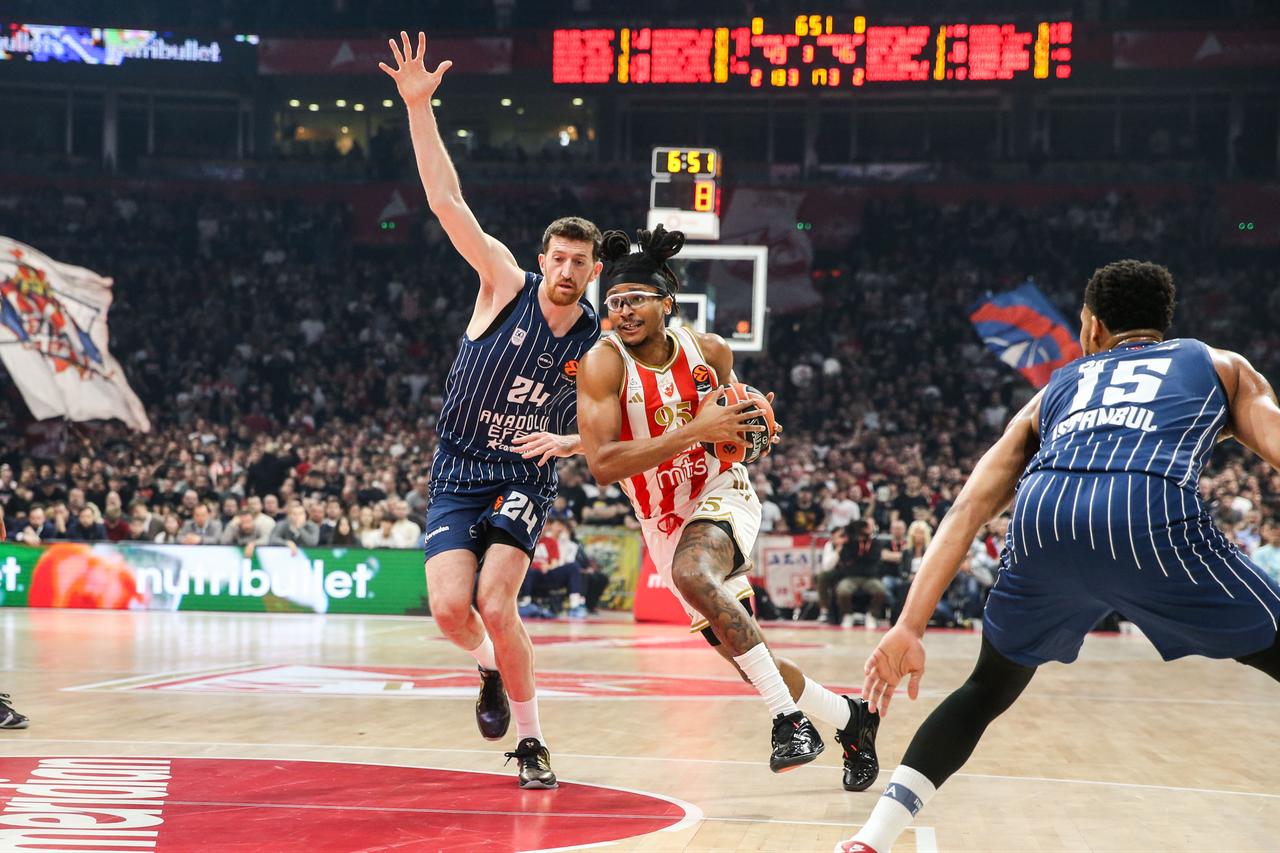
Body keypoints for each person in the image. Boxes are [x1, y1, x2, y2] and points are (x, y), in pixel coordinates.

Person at [836, 260, 1280, 853]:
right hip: (1145, 517)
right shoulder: (1217, 364)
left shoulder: (1059, 386)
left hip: (1045, 521)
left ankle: (871, 838)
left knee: (985, 690)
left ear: (1091, 327)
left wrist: (910, 625)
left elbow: (967, 510)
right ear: (1164, 326)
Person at [576, 226, 879, 790]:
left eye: (635, 299)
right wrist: (698, 428)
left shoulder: (710, 351)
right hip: (660, 519)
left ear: (667, 303)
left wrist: (755, 427)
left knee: (695, 573)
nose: (622, 312)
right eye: (614, 302)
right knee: (748, 658)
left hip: (721, 493)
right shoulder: (602, 363)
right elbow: (603, 464)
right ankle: (851, 718)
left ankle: (789, 723)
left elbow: (734, 426)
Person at [381, 30, 603, 789]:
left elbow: (619, 425)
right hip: (457, 465)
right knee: (450, 609)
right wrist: (418, 109)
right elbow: (447, 200)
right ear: (543, 259)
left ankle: (534, 741)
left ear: (594, 269)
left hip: (522, 473)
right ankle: (486, 671)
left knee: (496, 598)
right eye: (559, 257)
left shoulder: (604, 341)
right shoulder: (502, 283)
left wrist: (568, 441)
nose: (568, 269)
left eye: (581, 261)